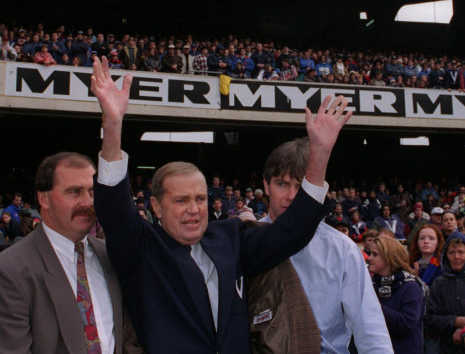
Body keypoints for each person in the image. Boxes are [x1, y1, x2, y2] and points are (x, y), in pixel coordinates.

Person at [90, 55, 352, 354]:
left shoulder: (230, 238)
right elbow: (114, 209)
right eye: (181, 200)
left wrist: (319, 154)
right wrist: (112, 123)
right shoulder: (141, 249)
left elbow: (292, 231)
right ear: (156, 206)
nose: (194, 209)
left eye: (200, 199)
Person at [249, 137, 393, 354]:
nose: (290, 197)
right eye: (281, 184)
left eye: (300, 187)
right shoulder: (246, 241)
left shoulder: (341, 248)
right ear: (266, 186)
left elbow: (369, 327)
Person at [0, 152, 138, 354]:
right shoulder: (11, 269)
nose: (87, 202)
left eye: (92, 192)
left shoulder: (110, 257)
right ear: (44, 198)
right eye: (74, 192)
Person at [369, 237, 424, 354]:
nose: (369, 258)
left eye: (375, 254)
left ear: (389, 257)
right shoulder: (370, 286)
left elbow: (407, 324)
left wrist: (375, 308)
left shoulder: (411, 287)